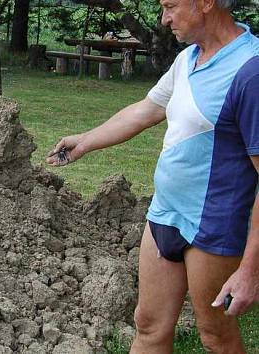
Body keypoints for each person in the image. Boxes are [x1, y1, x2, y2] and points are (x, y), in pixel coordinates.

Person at [46, 0, 259, 352]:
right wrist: (85, 142)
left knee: (215, 336)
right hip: (164, 214)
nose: (164, 19)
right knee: (148, 326)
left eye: (171, 6)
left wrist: (251, 271)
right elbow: (147, 110)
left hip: (213, 226)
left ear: (206, 3)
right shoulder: (188, 58)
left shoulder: (250, 71)